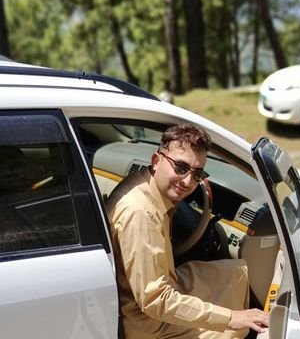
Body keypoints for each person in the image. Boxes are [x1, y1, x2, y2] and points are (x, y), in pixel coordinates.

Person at [106, 123, 269, 339]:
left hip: (154, 290)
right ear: (156, 161)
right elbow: (156, 301)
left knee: (235, 273)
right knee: (234, 330)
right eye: (180, 167)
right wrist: (232, 318)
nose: (187, 181)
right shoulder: (141, 214)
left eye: (197, 173)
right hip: (148, 324)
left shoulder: (143, 184)